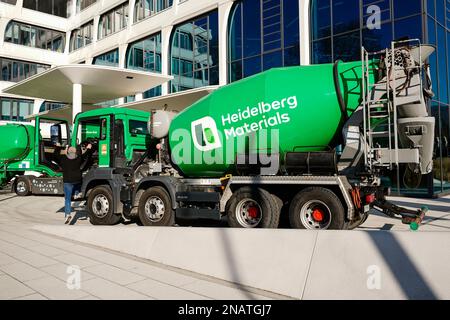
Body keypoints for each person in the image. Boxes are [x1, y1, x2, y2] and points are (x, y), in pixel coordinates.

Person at [55, 144, 93, 224]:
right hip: (77, 180)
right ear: (75, 152)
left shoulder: (63, 159)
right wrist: (88, 148)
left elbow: (56, 155)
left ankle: (67, 215)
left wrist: (58, 147)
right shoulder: (78, 158)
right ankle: (77, 193)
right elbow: (85, 155)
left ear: (67, 152)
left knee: (67, 199)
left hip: (67, 181)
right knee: (78, 184)